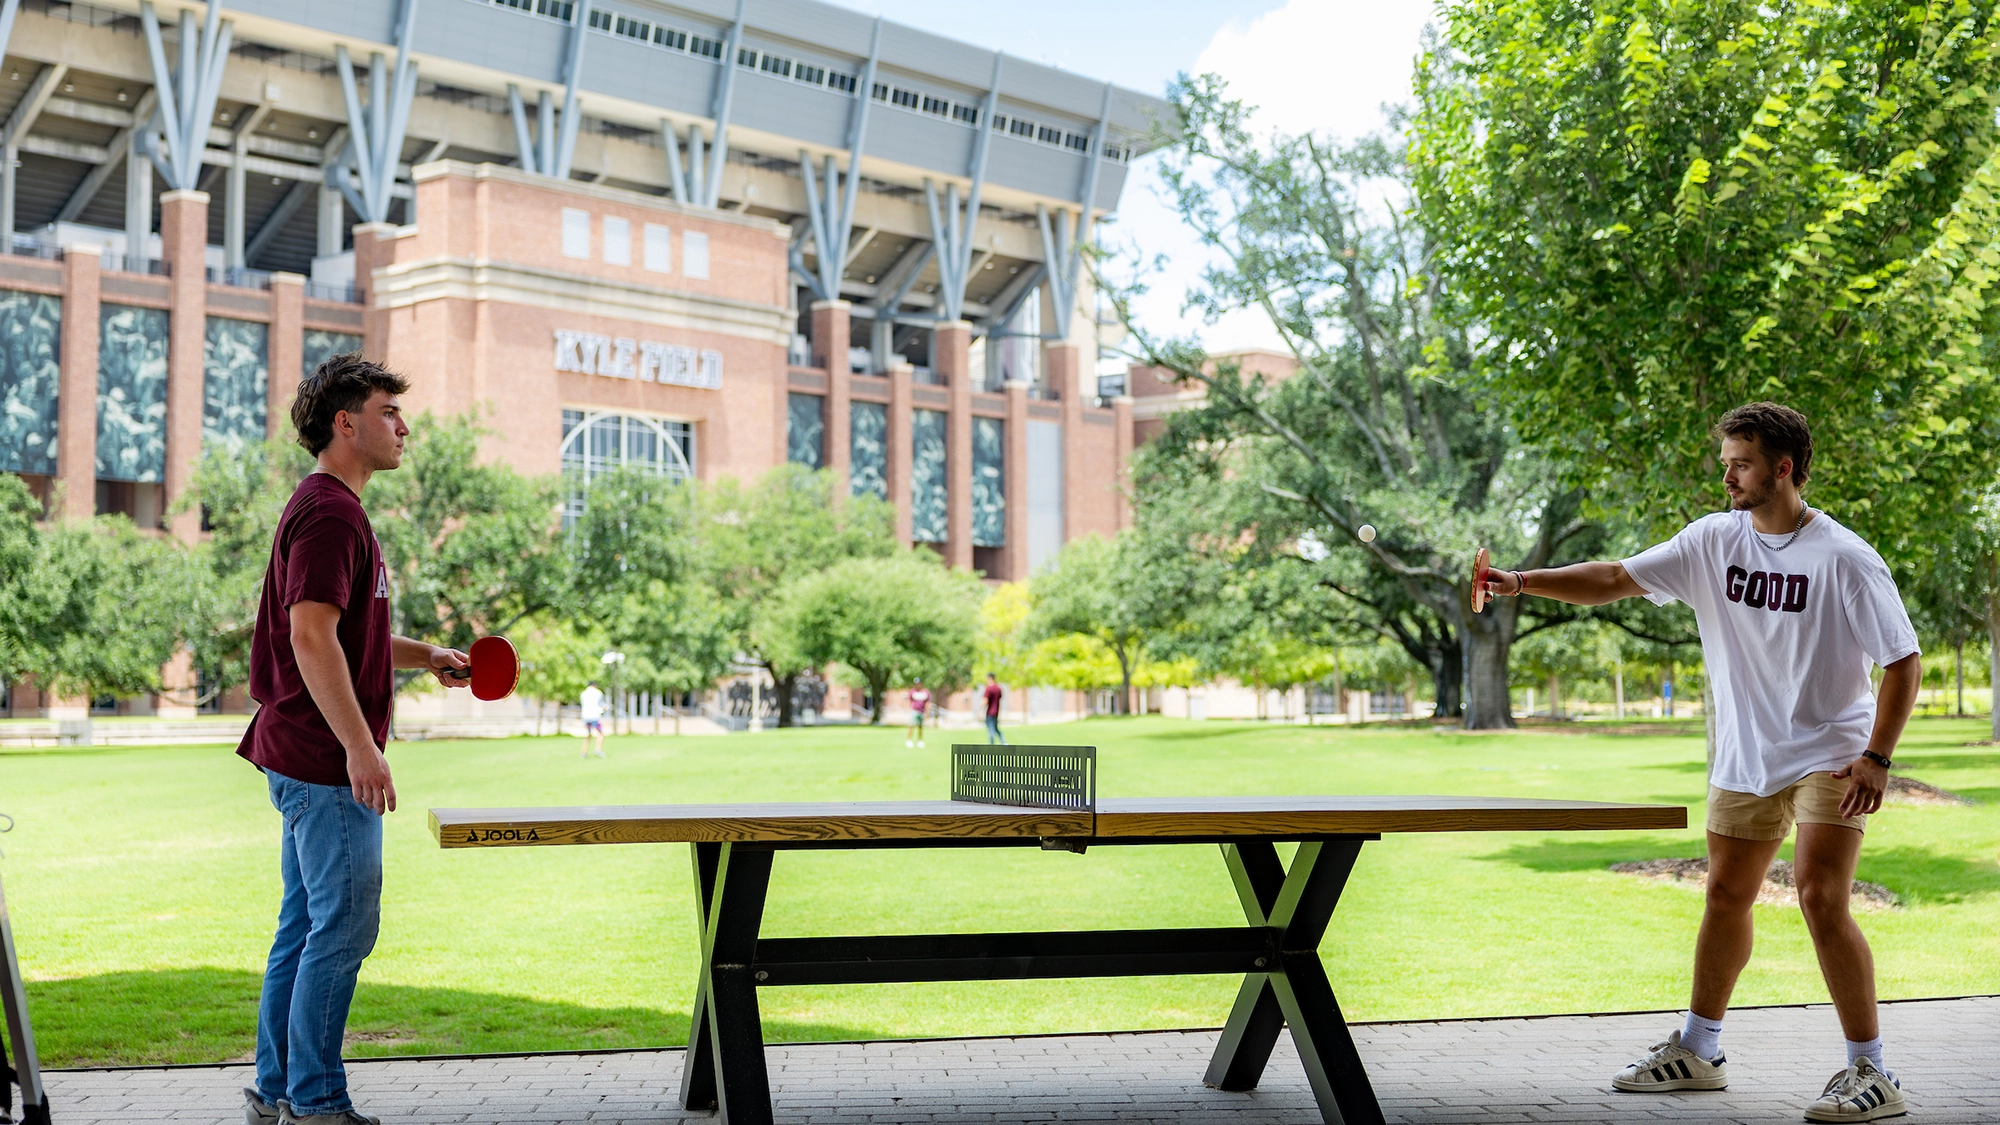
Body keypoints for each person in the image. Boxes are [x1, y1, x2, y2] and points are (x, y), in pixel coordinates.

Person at [1477, 402, 1918, 1123]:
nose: (1727, 477)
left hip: (1831, 750)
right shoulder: (1713, 540)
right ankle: (1699, 1049)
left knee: (1818, 894)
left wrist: (1877, 756)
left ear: (1782, 468)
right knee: (1723, 893)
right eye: (1725, 463)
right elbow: (1615, 576)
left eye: (1739, 463)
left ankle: (1871, 1069)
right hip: (1748, 751)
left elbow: (1903, 661)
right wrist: (1523, 581)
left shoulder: (1844, 557)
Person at [236, 354, 471, 1125]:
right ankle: (316, 1101)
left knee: (304, 924)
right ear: (346, 422)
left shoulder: (332, 507)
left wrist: (425, 653)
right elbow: (309, 636)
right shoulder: (333, 512)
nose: (404, 428)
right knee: (341, 927)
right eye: (389, 413)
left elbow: (345, 630)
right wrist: (360, 748)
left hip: (300, 755)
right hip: (324, 763)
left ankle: (275, 1091)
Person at [579, 680, 607, 758]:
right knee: (600, 733)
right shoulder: (598, 693)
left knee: (588, 734)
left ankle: (583, 753)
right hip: (595, 716)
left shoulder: (583, 693)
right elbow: (601, 704)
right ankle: (597, 749)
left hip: (585, 716)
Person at [905, 678, 932, 749]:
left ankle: (920, 741)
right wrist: (907, 708)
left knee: (920, 726)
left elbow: (928, 702)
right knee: (911, 725)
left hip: (922, 711)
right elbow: (909, 700)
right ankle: (909, 740)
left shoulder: (925, 692)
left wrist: (927, 712)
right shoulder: (912, 691)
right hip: (914, 710)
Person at [983, 673, 1007, 745]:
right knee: (995, 728)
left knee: (991, 730)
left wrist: (980, 711)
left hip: (990, 712)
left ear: (989, 678)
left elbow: (985, 700)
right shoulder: (998, 688)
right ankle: (1004, 742)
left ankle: (991, 745)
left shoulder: (989, 688)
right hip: (996, 712)